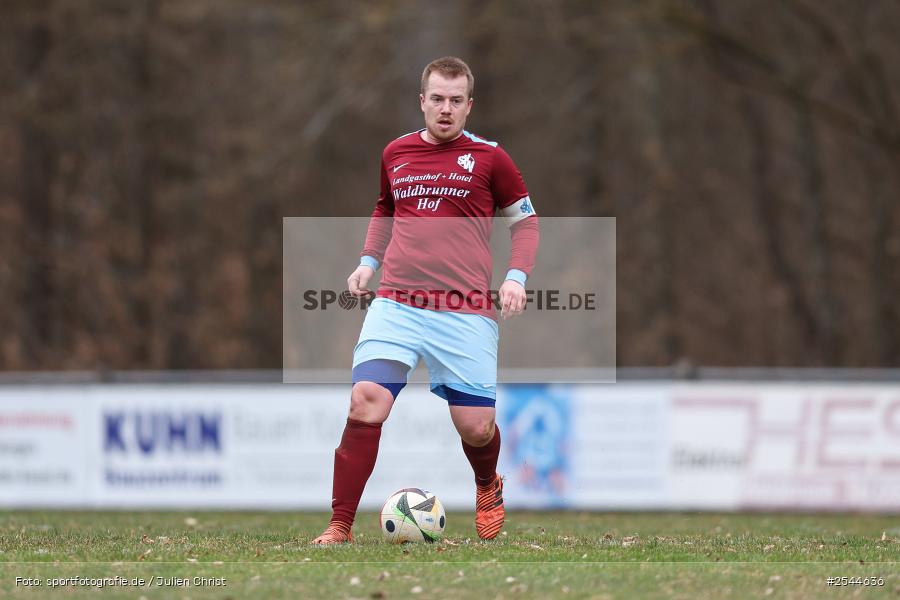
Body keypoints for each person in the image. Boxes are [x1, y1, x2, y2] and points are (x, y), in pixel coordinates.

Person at [312, 56, 539, 544]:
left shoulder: (491, 158)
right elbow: (385, 207)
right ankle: (340, 524)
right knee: (366, 401)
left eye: (456, 100)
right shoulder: (395, 152)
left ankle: (486, 484)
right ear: (422, 100)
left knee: (476, 427)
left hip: (464, 310)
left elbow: (525, 221)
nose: (445, 108)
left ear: (468, 105)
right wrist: (368, 261)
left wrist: (516, 276)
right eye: (437, 98)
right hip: (398, 303)